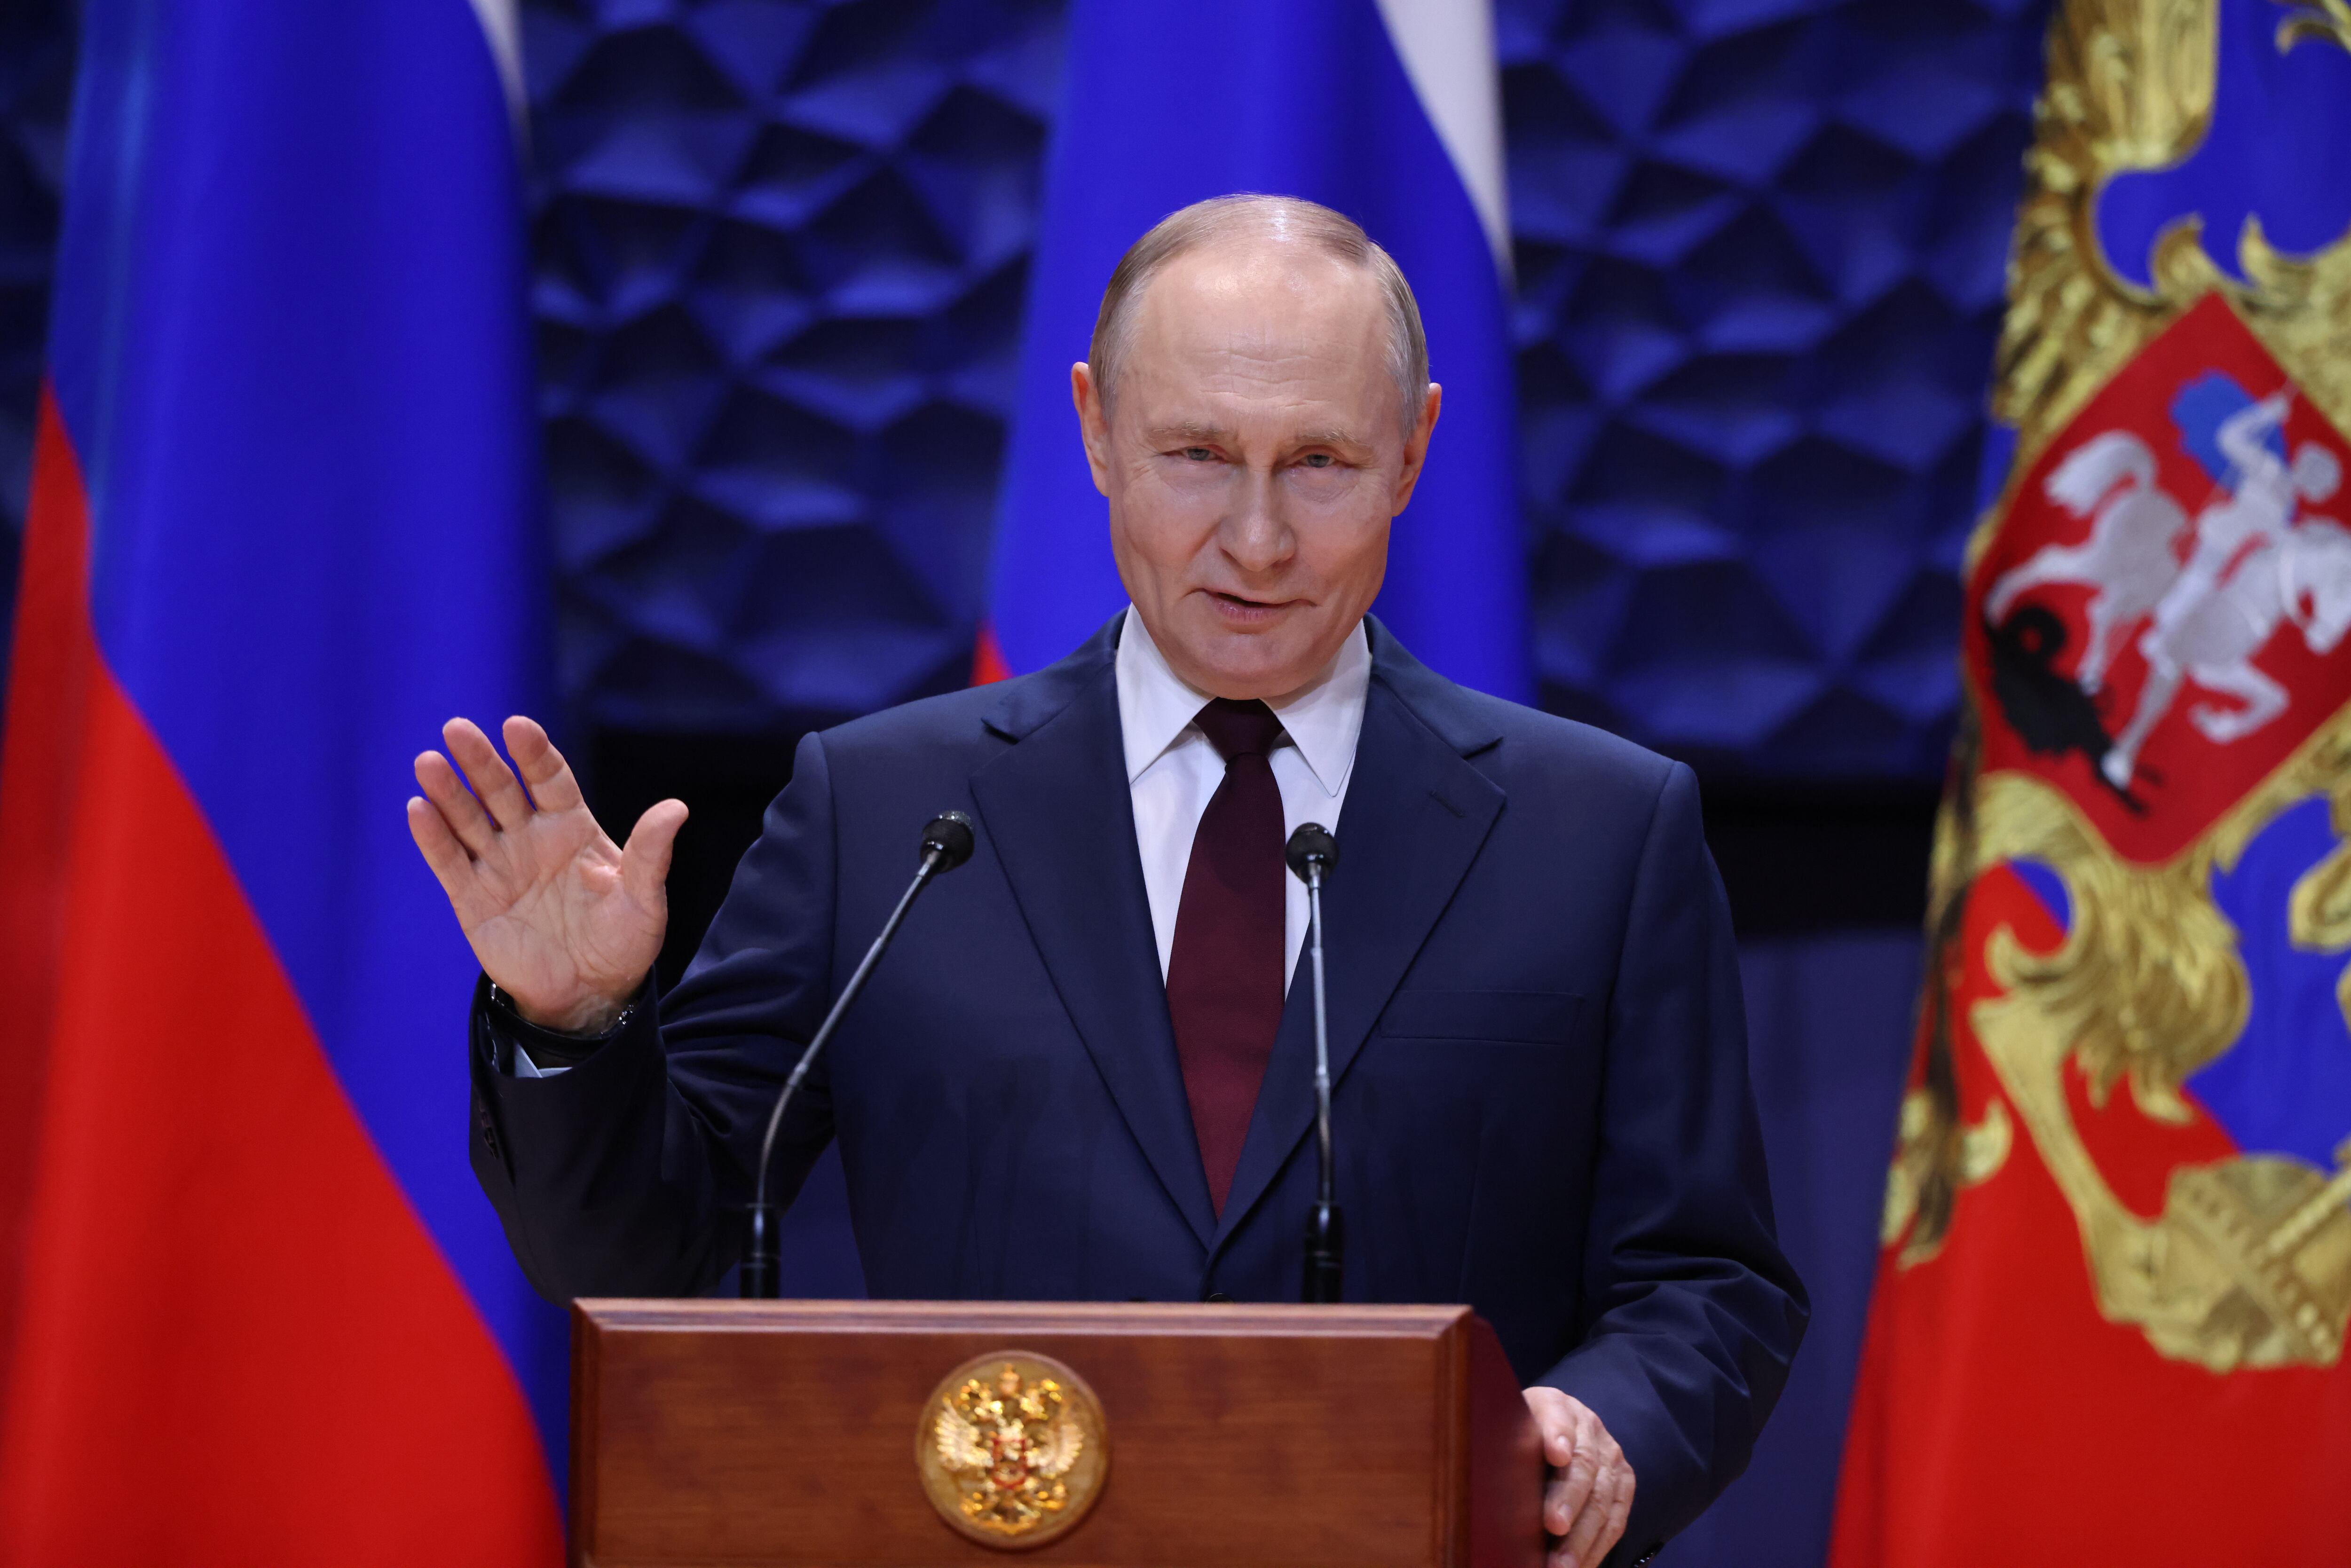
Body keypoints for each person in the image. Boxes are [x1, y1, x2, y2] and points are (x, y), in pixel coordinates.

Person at [410, 194, 1804, 1568]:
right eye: (1198, 453)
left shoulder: (1601, 830)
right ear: (1094, 430)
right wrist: (578, 1028)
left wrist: (1601, 1425)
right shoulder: (885, 810)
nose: (1256, 542)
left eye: (1317, 462)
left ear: (1415, 449)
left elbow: (1707, 1282)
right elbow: (649, 1247)